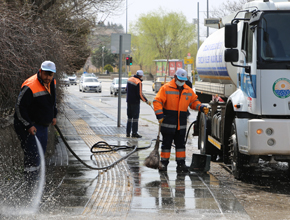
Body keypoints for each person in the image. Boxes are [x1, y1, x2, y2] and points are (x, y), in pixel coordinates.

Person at [153, 68, 209, 173]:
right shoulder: (165, 88)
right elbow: (157, 101)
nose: (182, 82)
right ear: (175, 77)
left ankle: (181, 164)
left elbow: (194, 102)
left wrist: (201, 107)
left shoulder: (188, 90)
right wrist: (159, 115)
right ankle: (163, 164)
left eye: (183, 80)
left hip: (181, 123)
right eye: (180, 80)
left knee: (180, 145)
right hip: (168, 122)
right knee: (166, 144)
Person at [14, 60, 57, 179]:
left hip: (42, 125)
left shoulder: (52, 82)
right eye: (46, 74)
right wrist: (28, 125)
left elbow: (52, 101)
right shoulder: (30, 86)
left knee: (40, 155)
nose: (48, 77)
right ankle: (30, 184)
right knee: (32, 155)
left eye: (50, 74)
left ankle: (36, 180)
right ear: (40, 71)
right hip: (27, 125)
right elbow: (19, 107)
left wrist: (54, 115)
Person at [126, 70, 151, 138]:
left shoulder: (129, 79)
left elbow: (126, 89)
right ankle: (134, 133)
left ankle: (128, 133)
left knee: (129, 118)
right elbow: (140, 94)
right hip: (135, 103)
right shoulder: (138, 82)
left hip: (129, 101)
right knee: (135, 119)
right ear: (141, 75)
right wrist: (146, 101)